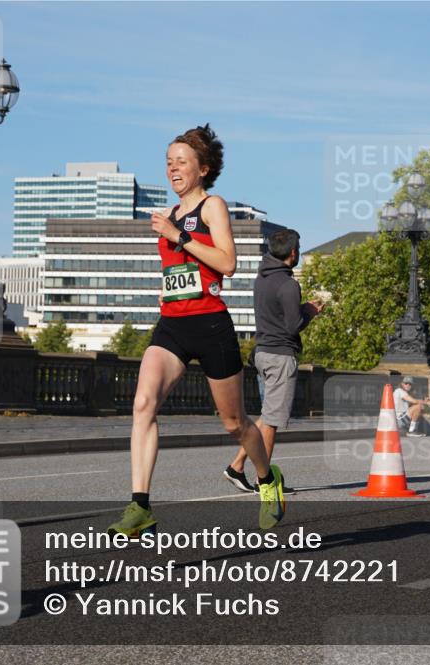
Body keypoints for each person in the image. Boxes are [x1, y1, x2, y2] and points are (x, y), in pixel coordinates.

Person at [108, 125, 285, 535]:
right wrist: (164, 291)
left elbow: (227, 264)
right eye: (168, 161)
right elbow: (177, 270)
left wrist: (179, 236)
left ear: (202, 169)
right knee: (143, 405)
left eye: (181, 161)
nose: (172, 167)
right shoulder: (167, 215)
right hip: (172, 325)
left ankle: (266, 479)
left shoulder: (211, 207)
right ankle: (140, 505)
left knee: (235, 423)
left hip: (210, 324)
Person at [223, 229, 323, 493]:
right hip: (280, 356)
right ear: (292, 253)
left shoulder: (262, 278)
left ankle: (237, 467)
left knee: (267, 416)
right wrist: (310, 312)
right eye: (298, 248)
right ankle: (263, 480)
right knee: (271, 421)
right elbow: (293, 326)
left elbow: (278, 317)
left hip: (263, 352)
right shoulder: (289, 285)